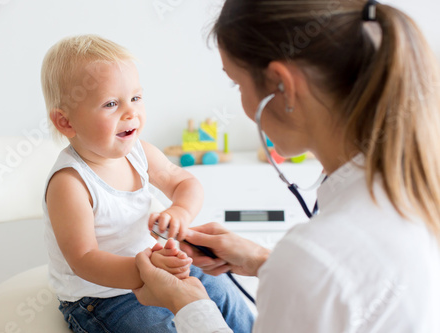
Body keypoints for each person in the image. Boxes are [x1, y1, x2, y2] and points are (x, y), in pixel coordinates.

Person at [133, 0, 440, 332]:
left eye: (237, 84)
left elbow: (327, 276)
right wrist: (264, 261)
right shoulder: (419, 188)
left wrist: (187, 305)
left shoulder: (312, 259)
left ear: (282, 86)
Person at [40, 35, 254, 333]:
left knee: (223, 293)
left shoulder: (139, 151)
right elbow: (84, 260)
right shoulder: (70, 183)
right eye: (111, 103)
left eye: (136, 98)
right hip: (104, 297)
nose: (131, 113)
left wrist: (180, 212)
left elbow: (184, 182)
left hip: (158, 269)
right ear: (66, 123)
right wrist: (145, 272)